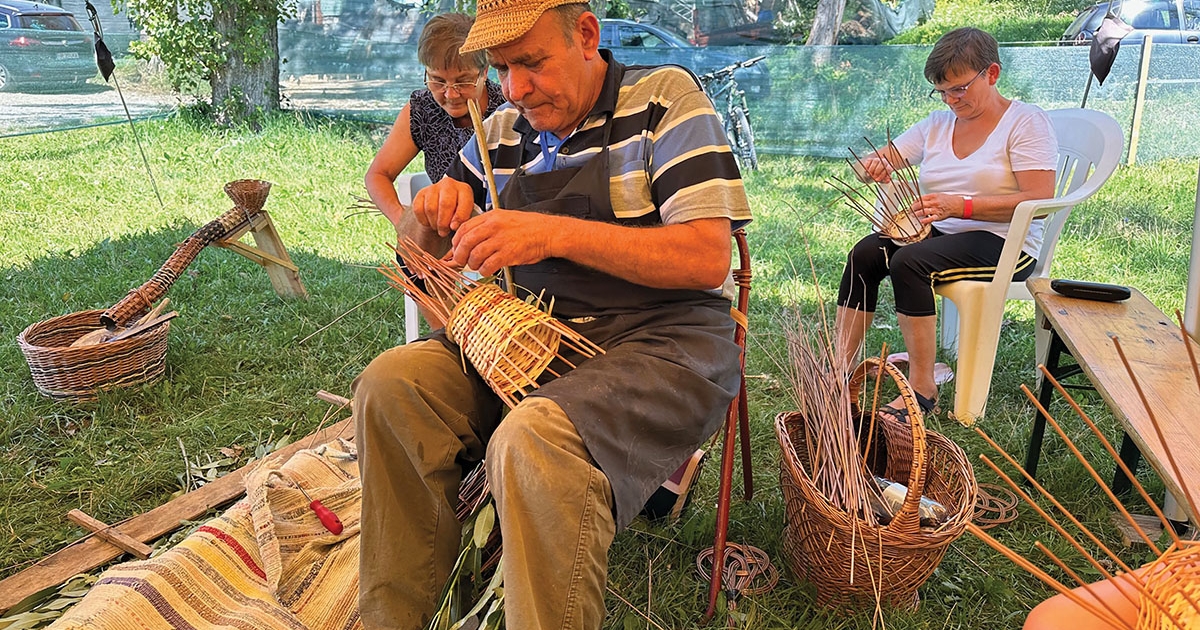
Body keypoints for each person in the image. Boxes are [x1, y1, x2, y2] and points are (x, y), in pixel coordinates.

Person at [351, 0, 752, 628]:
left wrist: (552, 234)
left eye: (532, 63)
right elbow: (415, 259)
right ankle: (400, 616)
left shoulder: (664, 99)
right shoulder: (500, 129)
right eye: (502, 68)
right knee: (390, 388)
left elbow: (706, 259)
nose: (515, 88)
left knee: (532, 438)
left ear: (586, 35)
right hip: (528, 341)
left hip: (658, 344)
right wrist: (426, 215)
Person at [834, 27, 1057, 417]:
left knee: (909, 262)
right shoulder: (936, 125)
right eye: (943, 92)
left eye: (960, 89)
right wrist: (872, 168)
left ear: (991, 73)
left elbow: (1039, 199)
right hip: (944, 232)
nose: (952, 100)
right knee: (866, 254)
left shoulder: (1025, 123)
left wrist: (962, 206)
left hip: (1006, 243)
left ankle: (922, 390)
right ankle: (836, 372)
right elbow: (882, 158)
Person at [363, 12, 505, 235]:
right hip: (446, 236)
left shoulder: (507, 111)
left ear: (485, 72)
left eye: (463, 81)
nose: (450, 94)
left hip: (500, 235)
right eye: (437, 80)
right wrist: (406, 227)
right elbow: (378, 175)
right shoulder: (423, 109)